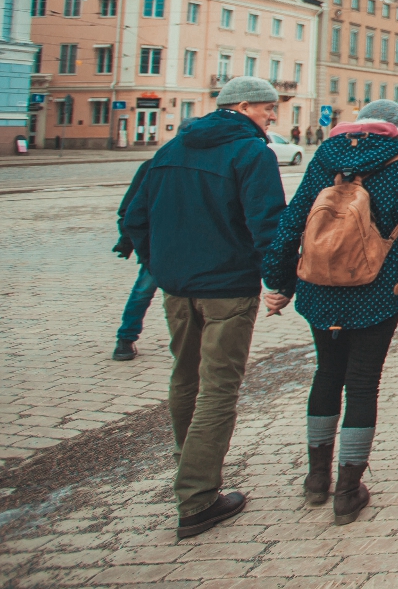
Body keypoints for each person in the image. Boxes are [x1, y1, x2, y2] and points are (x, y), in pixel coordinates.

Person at [261, 99, 398, 526]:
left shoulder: (326, 157)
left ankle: (315, 479)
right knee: (362, 384)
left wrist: (279, 282)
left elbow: (294, 222)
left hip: (319, 286)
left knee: (326, 373)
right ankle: (347, 491)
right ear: (395, 125)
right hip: (377, 289)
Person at [118, 76, 286, 540]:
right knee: (218, 390)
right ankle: (197, 499)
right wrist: (279, 281)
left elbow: (133, 217)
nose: (274, 116)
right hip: (228, 289)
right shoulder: (252, 153)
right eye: (269, 108)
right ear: (245, 105)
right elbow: (268, 224)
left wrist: (163, 266)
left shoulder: (171, 150)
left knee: (184, 377)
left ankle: (188, 464)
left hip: (178, 291)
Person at [110, 160, 156, 360]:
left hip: (182, 245)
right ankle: (125, 338)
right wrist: (130, 240)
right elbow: (130, 210)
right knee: (143, 291)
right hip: (157, 246)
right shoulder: (154, 165)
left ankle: (126, 339)